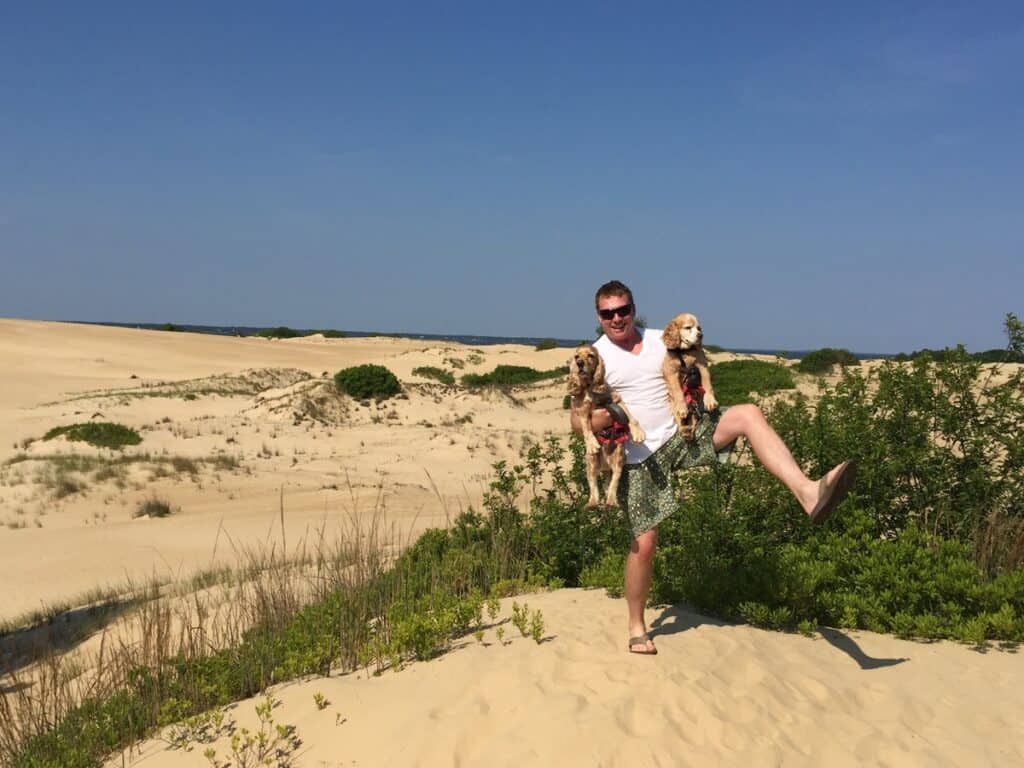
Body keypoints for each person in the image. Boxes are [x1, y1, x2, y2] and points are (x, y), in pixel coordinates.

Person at [576, 280, 856, 655]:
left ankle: (808, 492)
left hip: (683, 433)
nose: (617, 318)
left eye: (623, 310)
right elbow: (575, 420)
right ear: (598, 316)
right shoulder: (595, 356)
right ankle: (636, 624)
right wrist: (611, 414)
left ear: (633, 308)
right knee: (644, 544)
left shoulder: (662, 339)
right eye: (608, 313)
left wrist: (700, 384)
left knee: (749, 415)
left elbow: (700, 361)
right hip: (639, 458)